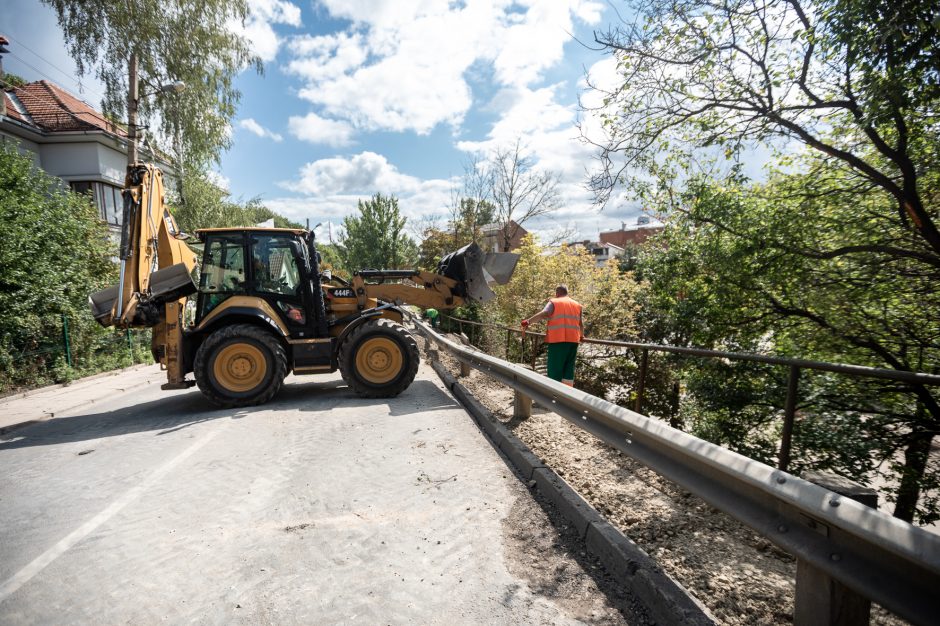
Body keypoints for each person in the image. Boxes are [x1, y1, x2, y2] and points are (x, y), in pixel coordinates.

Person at [522, 285, 583, 386]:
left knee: (555, 369)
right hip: (574, 341)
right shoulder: (577, 304)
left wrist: (528, 321)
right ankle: (567, 396)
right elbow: (580, 323)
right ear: (567, 292)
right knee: (568, 369)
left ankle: (553, 395)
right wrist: (582, 336)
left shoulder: (554, 302)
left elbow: (544, 313)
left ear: (557, 293)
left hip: (558, 340)